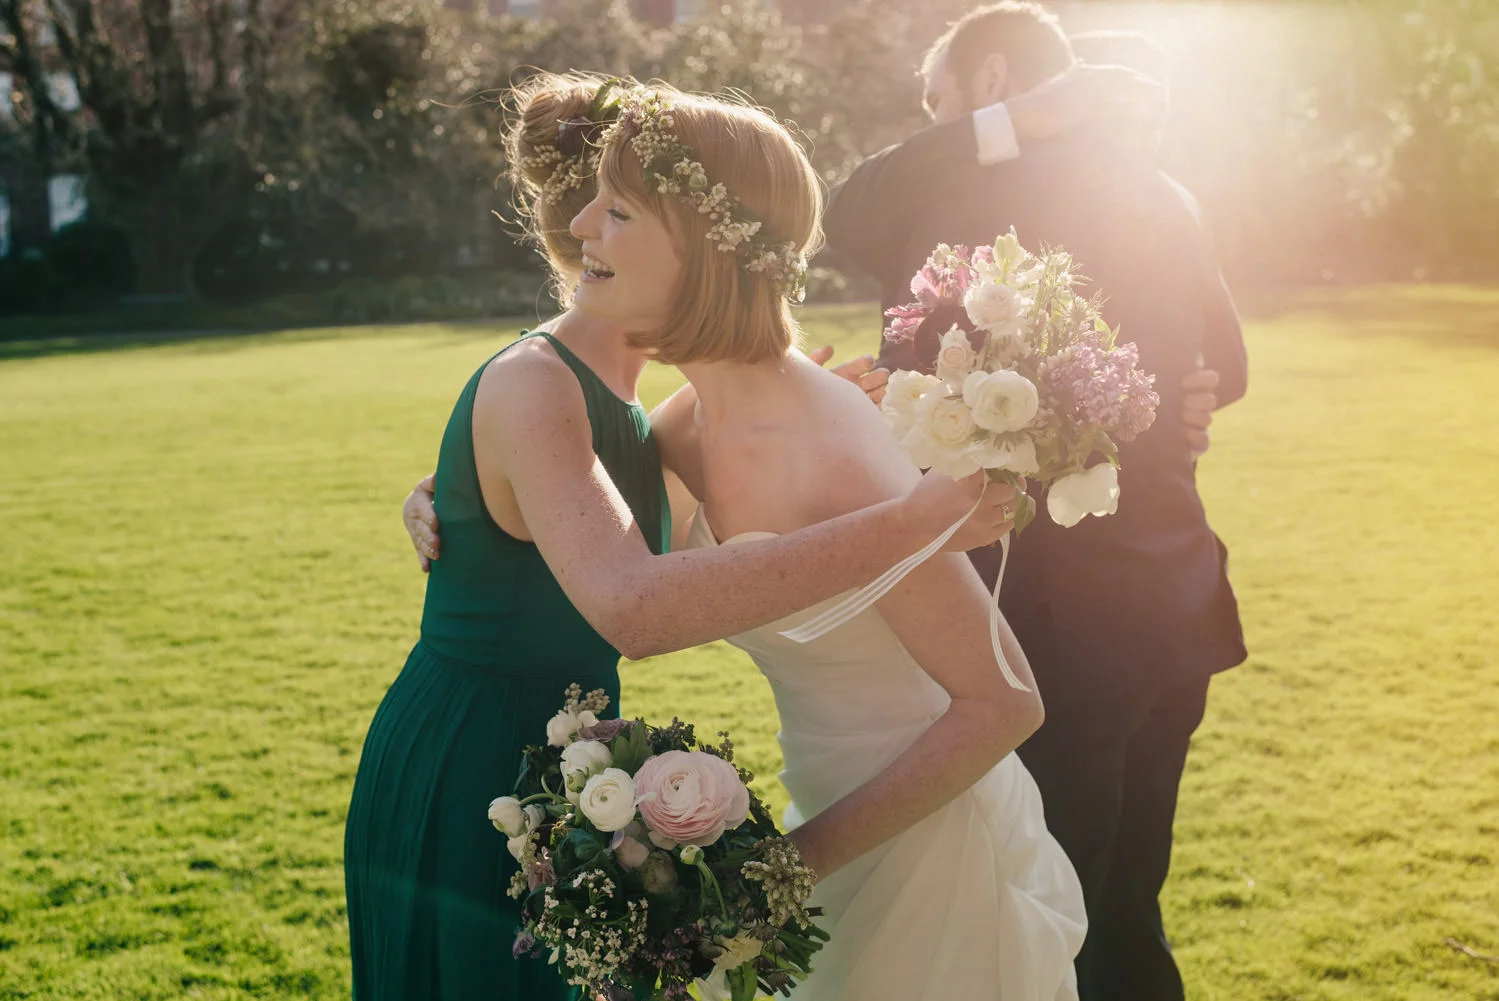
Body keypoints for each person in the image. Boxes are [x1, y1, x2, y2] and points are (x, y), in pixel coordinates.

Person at [399, 75, 1088, 999]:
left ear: (700, 246)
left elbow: (1004, 703)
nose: (580, 233)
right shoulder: (677, 429)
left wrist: (781, 872)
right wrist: (451, 496)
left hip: (921, 842)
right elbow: (587, 527)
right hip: (820, 813)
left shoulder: (830, 439)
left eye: (618, 213)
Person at [821, 5, 1249, 1000]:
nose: (930, 127)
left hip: (1045, 620)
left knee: (1051, 909)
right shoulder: (1161, 193)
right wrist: (1186, 395)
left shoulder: (959, 194)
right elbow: (1223, 365)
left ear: (989, 76)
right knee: (1127, 901)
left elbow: (846, 210)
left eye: (938, 104)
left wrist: (1007, 124)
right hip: (1172, 600)